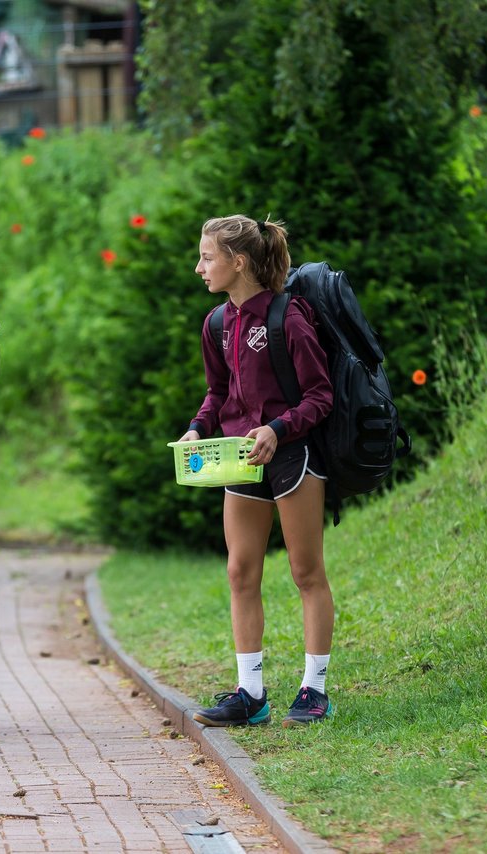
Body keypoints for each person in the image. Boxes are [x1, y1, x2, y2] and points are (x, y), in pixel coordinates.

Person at [179, 215, 337, 728]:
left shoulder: (288, 318)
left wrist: (277, 428)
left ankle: (314, 691)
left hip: (292, 458)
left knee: (305, 572)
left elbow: (320, 396)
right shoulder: (217, 324)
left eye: (207, 257)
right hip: (238, 460)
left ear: (237, 261)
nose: (199, 266)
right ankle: (251, 695)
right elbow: (218, 393)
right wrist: (198, 429)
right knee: (240, 571)